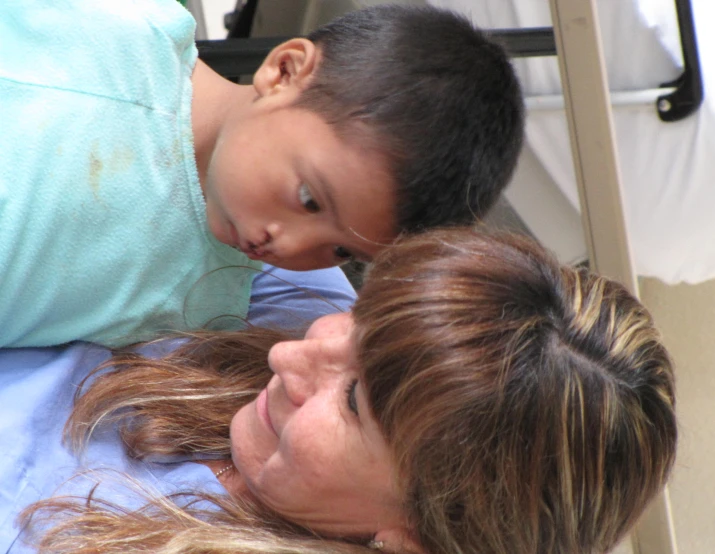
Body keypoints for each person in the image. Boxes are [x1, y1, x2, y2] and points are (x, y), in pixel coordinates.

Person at [1, 229, 676, 554]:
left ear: (413, 535)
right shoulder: (291, 285)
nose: (290, 353)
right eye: (361, 317)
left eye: (354, 401)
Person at [0, 0, 524, 349]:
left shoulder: (205, 306)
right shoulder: (123, 21)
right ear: (284, 71)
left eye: (344, 253)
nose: (291, 247)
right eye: (310, 199)